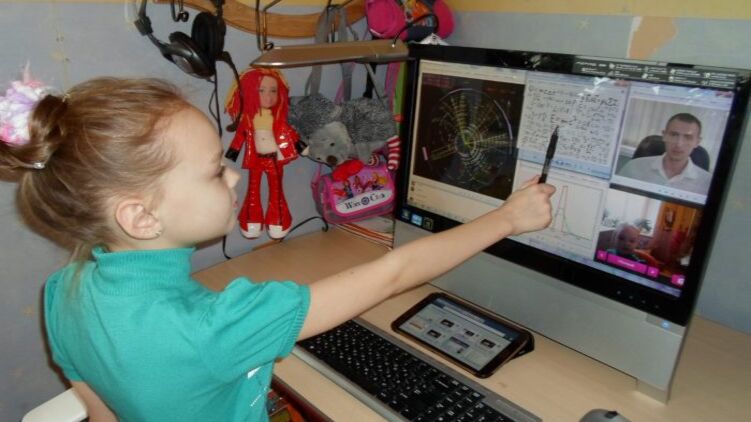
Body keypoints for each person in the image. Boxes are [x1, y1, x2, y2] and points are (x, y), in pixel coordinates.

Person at [0, 77, 555, 421]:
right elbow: (393, 272)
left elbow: (97, 406)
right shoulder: (215, 326)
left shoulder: (63, 289)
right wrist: (508, 218)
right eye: (214, 171)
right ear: (141, 217)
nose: (235, 175)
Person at [224, 68, 302, 240]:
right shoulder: (248, 119)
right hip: (255, 160)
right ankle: (251, 220)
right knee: (253, 190)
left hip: (275, 160)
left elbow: (290, 133)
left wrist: (301, 146)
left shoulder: (278, 118)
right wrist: (231, 154)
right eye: (261, 90)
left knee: (277, 190)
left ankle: (278, 220)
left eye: (273, 91)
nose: (269, 96)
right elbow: (240, 136)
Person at [618, 113, 712, 195]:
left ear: (697, 142)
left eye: (688, 137)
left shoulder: (707, 182)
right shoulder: (633, 167)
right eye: (674, 135)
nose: (679, 144)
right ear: (664, 135)